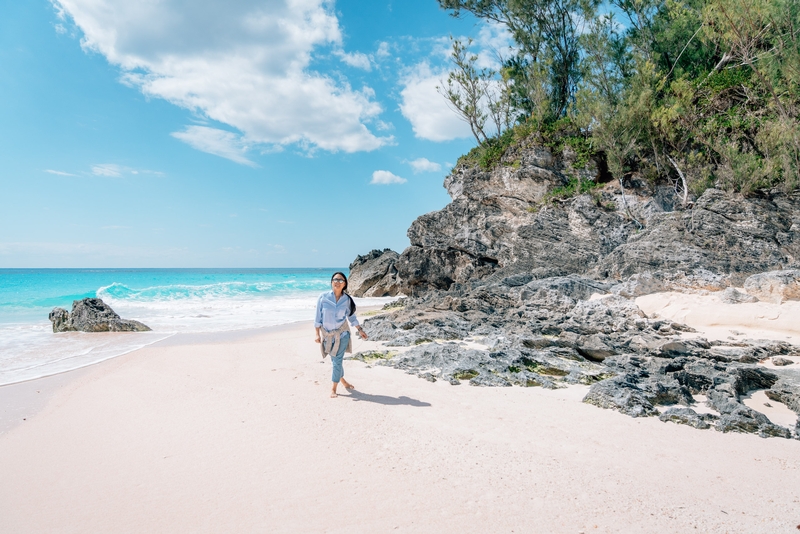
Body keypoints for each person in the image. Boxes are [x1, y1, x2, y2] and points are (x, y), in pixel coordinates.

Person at [314, 272, 367, 398]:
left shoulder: (347, 300)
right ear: (331, 282)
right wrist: (317, 334)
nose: (337, 281)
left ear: (345, 284)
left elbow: (351, 317)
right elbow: (317, 318)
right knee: (334, 360)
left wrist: (360, 330)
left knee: (337, 361)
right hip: (327, 335)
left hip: (342, 335)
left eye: (340, 280)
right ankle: (343, 381)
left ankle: (333, 388)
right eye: (335, 279)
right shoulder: (323, 297)